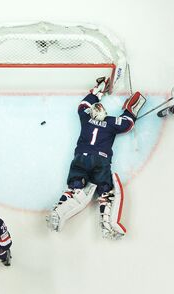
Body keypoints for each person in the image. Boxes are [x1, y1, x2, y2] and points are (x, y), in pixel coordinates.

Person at [46, 77, 146, 240]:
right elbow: (127, 124)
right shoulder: (111, 122)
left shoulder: (86, 119)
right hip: (101, 160)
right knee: (105, 191)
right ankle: (106, 225)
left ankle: (58, 210)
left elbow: (82, 106)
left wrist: (97, 91)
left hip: (81, 158)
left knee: (74, 186)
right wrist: (130, 109)